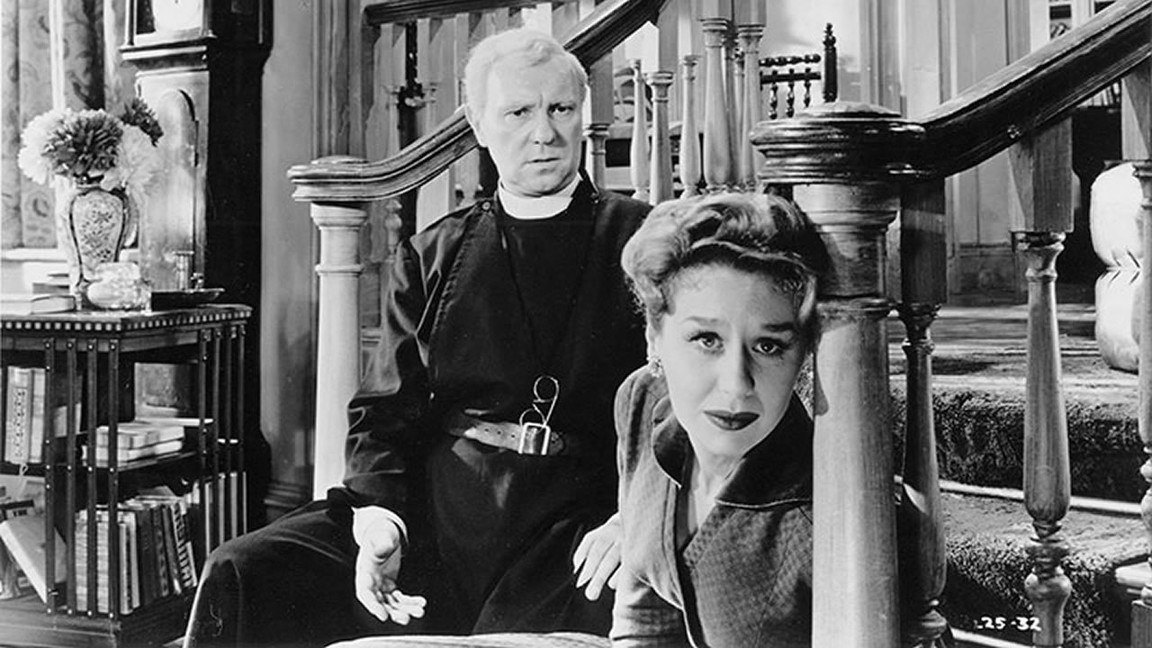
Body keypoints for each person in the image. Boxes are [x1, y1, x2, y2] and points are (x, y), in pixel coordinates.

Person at [183, 28, 650, 647]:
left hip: (581, 519)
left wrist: (637, 516)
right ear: (479, 126)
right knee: (244, 570)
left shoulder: (646, 240)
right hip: (441, 514)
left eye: (561, 109)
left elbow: (678, 412)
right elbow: (383, 412)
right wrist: (382, 521)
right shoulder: (434, 253)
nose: (545, 133)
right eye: (519, 112)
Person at [610, 192, 829, 647]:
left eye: (768, 346)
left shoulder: (823, 521)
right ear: (654, 336)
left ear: (803, 355)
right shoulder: (642, 402)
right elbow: (642, 614)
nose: (736, 384)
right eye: (707, 339)